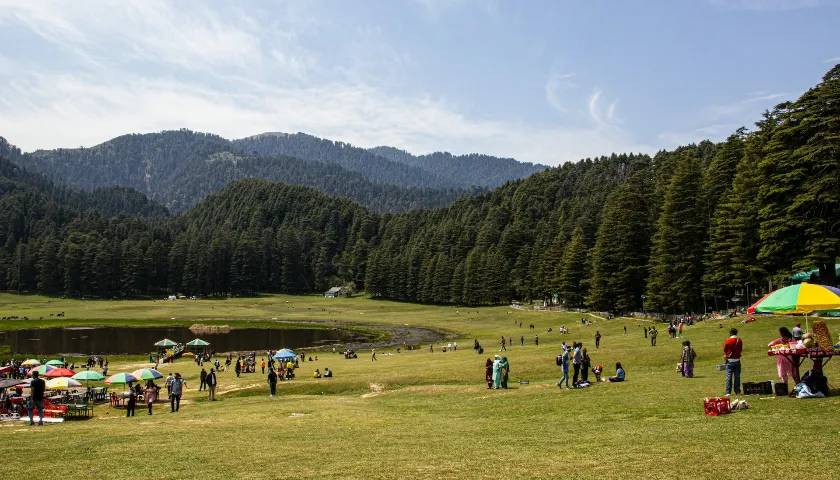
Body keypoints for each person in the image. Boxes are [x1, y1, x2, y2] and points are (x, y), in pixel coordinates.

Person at [723, 328, 743, 396]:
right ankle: (737, 391)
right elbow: (740, 349)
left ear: (730, 333)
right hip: (737, 360)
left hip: (730, 361)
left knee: (729, 376)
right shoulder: (739, 340)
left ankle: (728, 392)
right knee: (737, 377)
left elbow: (725, 350)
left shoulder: (728, 340)